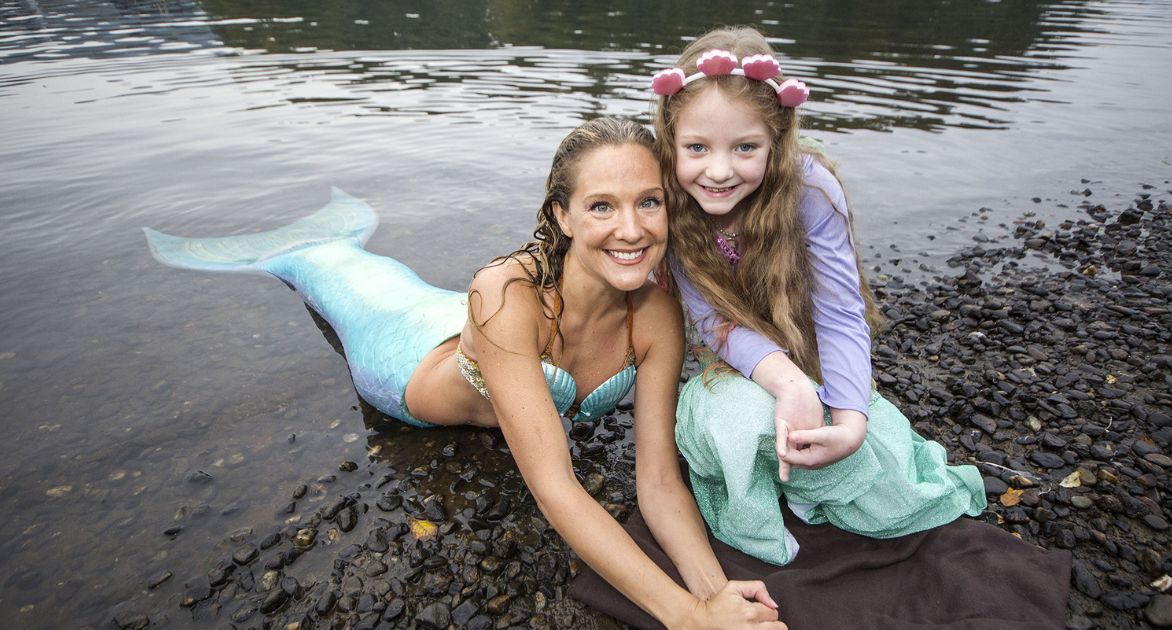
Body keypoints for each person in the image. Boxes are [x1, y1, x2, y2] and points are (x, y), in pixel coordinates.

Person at [145, 117, 787, 629]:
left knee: (405, 283)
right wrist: (684, 617)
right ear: (562, 216)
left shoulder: (656, 313)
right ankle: (310, 247)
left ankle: (341, 243)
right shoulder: (503, 291)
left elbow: (659, 482)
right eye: (601, 206)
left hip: (484, 324)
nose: (630, 229)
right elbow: (556, 488)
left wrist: (718, 595)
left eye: (649, 202)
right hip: (405, 357)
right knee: (333, 278)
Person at [651, 27, 987, 565]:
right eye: (696, 148)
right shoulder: (670, 201)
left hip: (814, 356)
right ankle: (759, 494)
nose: (718, 171)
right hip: (732, 367)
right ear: (671, 140)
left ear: (777, 139)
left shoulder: (810, 191)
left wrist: (851, 421)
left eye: (745, 147)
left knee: (883, 493)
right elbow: (712, 318)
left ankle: (815, 468)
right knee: (740, 425)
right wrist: (784, 384)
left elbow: (839, 315)